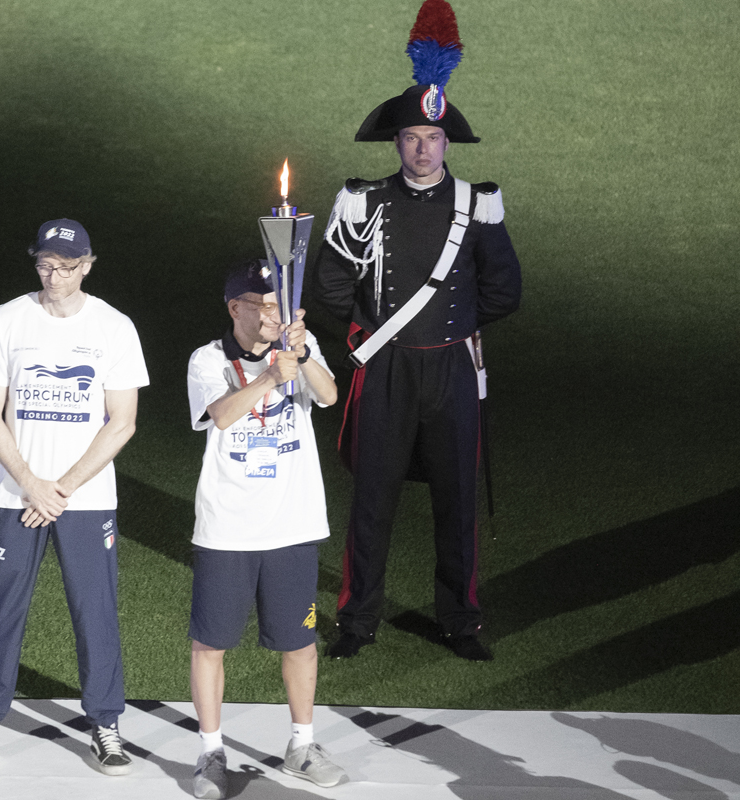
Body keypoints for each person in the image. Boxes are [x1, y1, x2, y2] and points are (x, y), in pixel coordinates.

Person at [314, 0, 522, 662]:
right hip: (387, 369)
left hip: (453, 370)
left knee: (456, 505)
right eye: (411, 138)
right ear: (397, 142)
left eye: (433, 139)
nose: (423, 148)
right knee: (371, 503)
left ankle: (460, 622)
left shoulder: (477, 205)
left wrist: (453, 326)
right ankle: (356, 621)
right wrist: (366, 340)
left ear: (447, 143)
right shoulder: (362, 202)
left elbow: (504, 290)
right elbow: (328, 286)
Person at [0, 219, 149, 775]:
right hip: (17, 495)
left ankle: (105, 724)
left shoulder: (114, 327)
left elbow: (123, 422)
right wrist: (30, 482)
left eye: (66, 266)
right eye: (45, 264)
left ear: (88, 264)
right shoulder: (7, 319)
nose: (55, 276)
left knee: (95, 612)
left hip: (83, 500)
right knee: (2, 610)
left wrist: (57, 489)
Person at [185, 260, 345, 799]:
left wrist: (300, 357)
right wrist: (272, 376)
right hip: (228, 529)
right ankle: (211, 754)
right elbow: (224, 416)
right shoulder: (208, 359)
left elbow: (327, 395)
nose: (274, 313)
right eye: (263, 303)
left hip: (293, 525)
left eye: (279, 303)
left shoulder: (299, 346)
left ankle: (302, 744)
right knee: (211, 644)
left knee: (299, 642)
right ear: (236, 308)